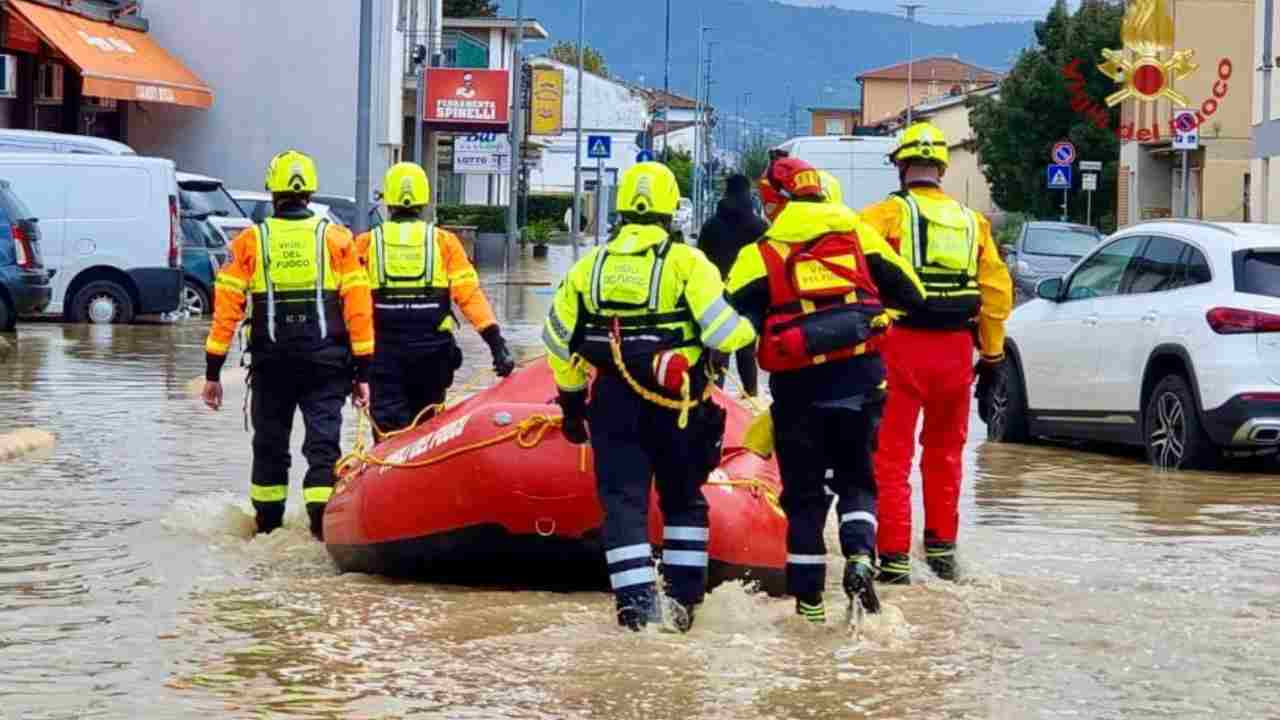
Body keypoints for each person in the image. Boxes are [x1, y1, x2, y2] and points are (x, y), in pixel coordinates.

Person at [541, 162, 757, 633]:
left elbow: (557, 340)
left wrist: (573, 404)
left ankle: (636, 614)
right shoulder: (687, 263)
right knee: (684, 501)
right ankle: (684, 610)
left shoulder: (589, 265)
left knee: (623, 505)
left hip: (614, 401)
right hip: (677, 404)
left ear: (621, 210)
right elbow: (724, 331)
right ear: (669, 212)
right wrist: (751, 324)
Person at [725, 157, 927, 623]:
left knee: (805, 500)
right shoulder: (858, 236)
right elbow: (913, 295)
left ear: (775, 201)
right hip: (861, 383)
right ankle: (859, 559)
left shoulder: (762, 251)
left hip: (798, 395)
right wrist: (870, 319)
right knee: (859, 483)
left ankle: (810, 608)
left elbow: (727, 321)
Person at [858, 122, 1013, 584]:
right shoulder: (973, 222)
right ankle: (943, 553)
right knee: (946, 454)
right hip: (956, 354)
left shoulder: (884, 216)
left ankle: (895, 562)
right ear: (942, 169)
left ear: (901, 166)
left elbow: (855, 275)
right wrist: (991, 357)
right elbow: (996, 292)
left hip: (899, 347)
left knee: (890, 458)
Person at [201, 150, 374, 540]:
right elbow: (359, 310)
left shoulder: (250, 242)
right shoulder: (336, 240)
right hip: (328, 368)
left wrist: (213, 372)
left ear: (273, 190)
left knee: (270, 447)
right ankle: (319, 533)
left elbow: (225, 312)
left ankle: (267, 532)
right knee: (323, 448)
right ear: (310, 193)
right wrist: (364, 372)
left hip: (270, 367)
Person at [354, 162, 514, 437]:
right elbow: (470, 297)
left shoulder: (367, 243)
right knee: (427, 432)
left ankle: (387, 476)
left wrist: (354, 366)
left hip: (383, 356)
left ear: (388, 200)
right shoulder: (444, 242)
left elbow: (352, 306)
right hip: (432, 356)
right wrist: (496, 345)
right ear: (424, 198)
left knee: (388, 439)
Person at [697, 173, 767, 397]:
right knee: (747, 349)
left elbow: (700, 261)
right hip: (751, 295)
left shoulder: (711, 226)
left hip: (718, 294)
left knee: (718, 348)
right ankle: (750, 396)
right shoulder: (760, 227)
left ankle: (714, 396)